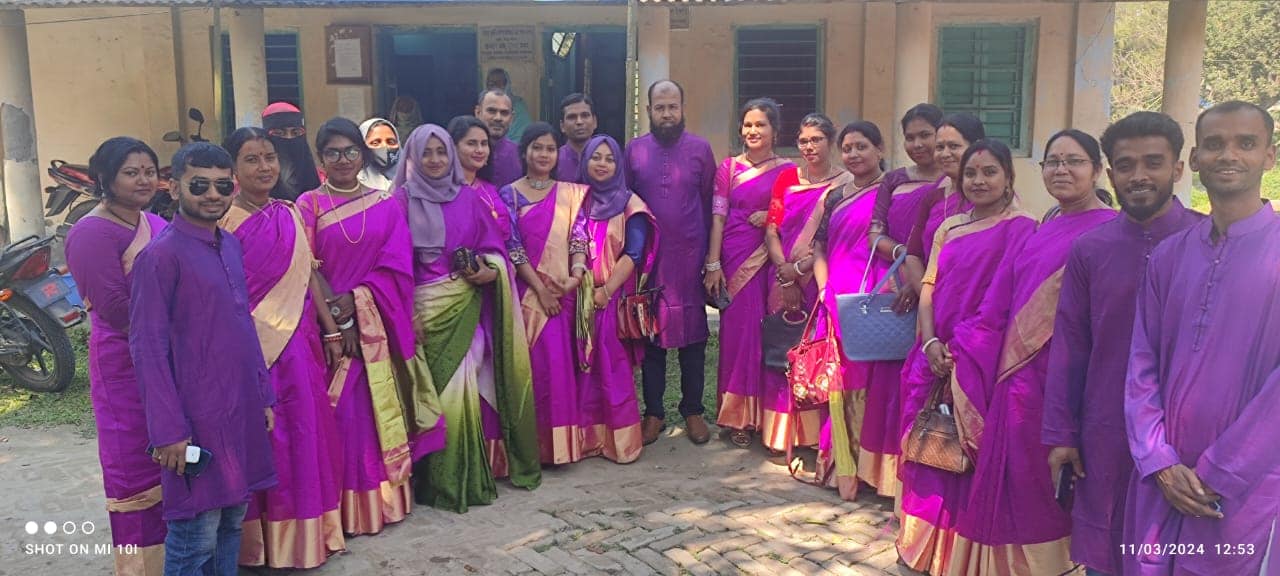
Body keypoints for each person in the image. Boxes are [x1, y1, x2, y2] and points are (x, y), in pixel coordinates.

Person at [1041, 116, 1203, 576]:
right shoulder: (1091, 248)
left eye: (1153, 162)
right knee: (1107, 553)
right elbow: (1071, 345)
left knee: (1183, 552)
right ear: (1110, 174)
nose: (1139, 176)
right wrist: (1061, 434)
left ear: (1178, 168)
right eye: (1126, 165)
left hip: (1188, 435)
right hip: (1106, 431)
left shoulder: (1208, 240)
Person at [1124, 101, 1280, 576]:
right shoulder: (1169, 256)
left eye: (1245, 143)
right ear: (1194, 159)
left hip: (1246, 486)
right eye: (1214, 144)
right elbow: (1141, 363)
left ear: (1269, 156)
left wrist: (1221, 472)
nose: (1228, 155)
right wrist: (1157, 459)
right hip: (1162, 478)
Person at [953, 135, 1114, 575]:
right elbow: (1004, 298)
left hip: (1068, 379)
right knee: (1019, 476)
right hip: (1018, 377)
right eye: (1053, 161)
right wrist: (970, 343)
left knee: (1050, 481)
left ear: (1097, 170)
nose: (1061, 170)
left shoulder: (1110, 229)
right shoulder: (1045, 225)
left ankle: (1055, 565)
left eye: (1074, 161)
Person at [128, 142, 276, 576]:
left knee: (232, 519)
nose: (213, 194)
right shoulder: (159, 257)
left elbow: (243, 325)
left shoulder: (229, 245)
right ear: (174, 188)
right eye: (199, 185)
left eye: (222, 185)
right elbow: (147, 348)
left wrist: (263, 396)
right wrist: (168, 430)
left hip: (239, 406)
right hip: (194, 416)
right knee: (196, 531)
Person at [895, 140, 1037, 574]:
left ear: (1008, 178)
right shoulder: (950, 227)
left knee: (964, 454)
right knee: (926, 444)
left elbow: (1009, 303)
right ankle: (920, 544)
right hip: (935, 352)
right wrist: (930, 342)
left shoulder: (1023, 229)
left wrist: (963, 350)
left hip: (981, 361)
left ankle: (958, 552)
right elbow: (930, 288)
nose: (978, 181)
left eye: (990, 172)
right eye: (971, 173)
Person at [220, 128, 347, 569]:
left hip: (300, 347)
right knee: (266, 442)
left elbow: (307, 276)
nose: (264, 167)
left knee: (306, 435)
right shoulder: (224, 223)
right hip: (252, 352)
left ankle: (308, 538)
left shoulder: (290, 212)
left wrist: (331, 331)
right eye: (252, 159)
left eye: (269, 157)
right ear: (233, 169)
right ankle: (261, 546)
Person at [397, 124, 540, 512]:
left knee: (458, 397)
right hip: (423, 313)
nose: (435, 159)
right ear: (412, 156)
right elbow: (396, 265)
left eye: (441, 151)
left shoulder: (468, 198)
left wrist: (490, 272)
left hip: (464, 307)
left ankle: (461, 481)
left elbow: (493, 248)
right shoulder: (400, 201)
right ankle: (431, 481)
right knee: (428, 400)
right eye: (426, 152)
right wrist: (408, 313)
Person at [296, 118, 423, 535]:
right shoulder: (309, 205)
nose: (343, 159)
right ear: (320, 158)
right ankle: (339, 510)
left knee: (373, 414)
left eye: (351, 151)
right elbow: (307, 268)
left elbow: (398, 266)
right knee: (340, 418)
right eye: (332, 152)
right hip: (328, 328)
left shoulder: (385, 204)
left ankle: (380, 503)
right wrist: (340, 321)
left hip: (375, 327)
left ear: (362, 154)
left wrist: (359, 302)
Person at [64, 137, 170, 575]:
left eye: (149, 171)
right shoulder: (91, 232)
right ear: (105, 178)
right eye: (131, 172)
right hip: (125, 363)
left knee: (178, 454)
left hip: (171, 358)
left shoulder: (156, 222)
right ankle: (143, 566)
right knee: (135, 460)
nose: (143, 180)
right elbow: (116, 309)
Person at [624, 80, 717, 446]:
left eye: (672, 107)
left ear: (682, 109)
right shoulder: (634, 150)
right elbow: (626, 203)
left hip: (690, 260)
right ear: (648, 110)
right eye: (660, 108)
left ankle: (693, 411)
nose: (667, 114)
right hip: (650, 261)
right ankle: (654, 413)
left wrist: (711, 259)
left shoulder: (700, 150)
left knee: (694, 338)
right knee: (652, 339)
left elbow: (710, 203)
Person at [809, 120, 898, 499]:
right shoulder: (836, 196)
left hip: (877, 302)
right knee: (839, 385)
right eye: (847, 148)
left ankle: (873, 470)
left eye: (862, 146)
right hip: (837, 300)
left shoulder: (892, 191)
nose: (854, 154)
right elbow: (820, 246)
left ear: (880, 149)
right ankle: (841, 469)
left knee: (875, 386)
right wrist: (823, 288)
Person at [706, 99, 795, 449]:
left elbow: (797, 214)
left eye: (761, 124)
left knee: (771, 334)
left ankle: (772, 417)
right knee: (738, 334)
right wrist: (713, 263)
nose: (753, 131)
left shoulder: (789, 171)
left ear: (775, 130)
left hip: (773, 260)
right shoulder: (728, 169)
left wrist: (772, 217)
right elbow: (718, 218)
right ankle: (737, 416)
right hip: (735, 257)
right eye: (748, 125)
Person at [763, 113, 853, 454]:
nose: (809, 147)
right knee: (782, 350)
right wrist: (784, 271)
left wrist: (799, 270)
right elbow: (772, 229)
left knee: (816, 354)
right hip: (782, 276)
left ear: (831, 142)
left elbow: (832, 237)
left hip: (820, 277)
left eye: (817, 140)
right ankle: (780, 435)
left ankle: (815, 436)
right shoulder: (787, 178)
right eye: (803, 140)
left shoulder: (844, 183)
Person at [504, 122, 591, 465]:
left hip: (562, 292)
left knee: (557, 369)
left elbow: (579, 238)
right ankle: (530, 448)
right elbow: (513, 247)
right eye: (537, 147)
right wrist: (540, 290)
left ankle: (559, 448)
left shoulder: (570, 193)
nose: (543, 154)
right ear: (524, 151)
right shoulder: (509, 194)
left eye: (550, 148)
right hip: (527, 297)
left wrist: (576, 276)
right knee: (530, 370)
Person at [572, 135, 656, 464]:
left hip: (610, 298)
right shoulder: (573, 199)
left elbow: (633, 254)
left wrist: (604, 292)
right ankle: (583, 441)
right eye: (596, 157)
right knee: (580, 370)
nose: (602, 164)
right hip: (575, 297)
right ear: (585, 162)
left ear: (618, 165)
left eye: (609, 158)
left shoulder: (631, 204)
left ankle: (619, 442)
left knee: (611, 369)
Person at [870, 103, 946, 311]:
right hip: (894, 278)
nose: (917, 144)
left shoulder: (957, 183)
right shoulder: (894, 180)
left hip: (943, 280)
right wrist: (906, 256)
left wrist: (919, 279)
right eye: (910, 138)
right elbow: (875, 236)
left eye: (925, 135)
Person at [906, 114, 985, 272]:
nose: (945, 154)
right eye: (940, 147)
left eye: (954, 146)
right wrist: (924, 286)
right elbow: (913, 254)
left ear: (976, 148)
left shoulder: (991, 197)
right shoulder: (932, 198)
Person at [262, 102, 320, 201]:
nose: (289, 138)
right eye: (279, 133)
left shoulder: (323, 179)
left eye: (296, 133)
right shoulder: (258, 179)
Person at [476, 89, 523, 188]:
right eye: (491, 111)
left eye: (504, 113)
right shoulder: (463, 154)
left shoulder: (521, 155)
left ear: (512, 118)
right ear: (478, 112)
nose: (498, 118)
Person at [556, 93, 598, 183]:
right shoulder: (553, 160)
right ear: (562, 126)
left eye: (585, 115)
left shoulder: (607, 160)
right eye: (572, 117)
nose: (579, 122)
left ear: (594, 122)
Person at [487, 67, 531, 142]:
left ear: (507, 85)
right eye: (491, 84)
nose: (495, 88)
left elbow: (524, 136)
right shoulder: (483, 105)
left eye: (499, 84)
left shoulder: (518, 107)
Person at [358, 117, 401, 191]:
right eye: (375, 143)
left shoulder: (412, 179)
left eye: (391, 142)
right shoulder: (353, 184)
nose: (385, 146)